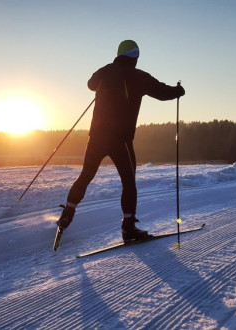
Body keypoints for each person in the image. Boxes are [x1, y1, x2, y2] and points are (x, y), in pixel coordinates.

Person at [57, 40, 185, 242]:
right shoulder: (139, 76)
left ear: (118, 54)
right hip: (120, 140)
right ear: (135, 57)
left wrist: (108, 78)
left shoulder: (105, 72)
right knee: (128, 182)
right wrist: (178, 91)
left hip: (96, 137)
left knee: (86, 175)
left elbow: (90, 84)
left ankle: (68, 213)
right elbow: (162, 92)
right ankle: (128, 228)